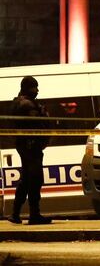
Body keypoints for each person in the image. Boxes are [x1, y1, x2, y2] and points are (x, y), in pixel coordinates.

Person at [8, 76, 51, 225]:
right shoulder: (27, 104)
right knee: (35, 179)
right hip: (31, 146)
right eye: (35, 87)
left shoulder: (17, 102)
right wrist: (44, 113)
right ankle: (34, 214)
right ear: (28, 88)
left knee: (26, 180)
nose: (37, 91)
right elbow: (38, 123)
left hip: (24, 145)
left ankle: (15, 213)